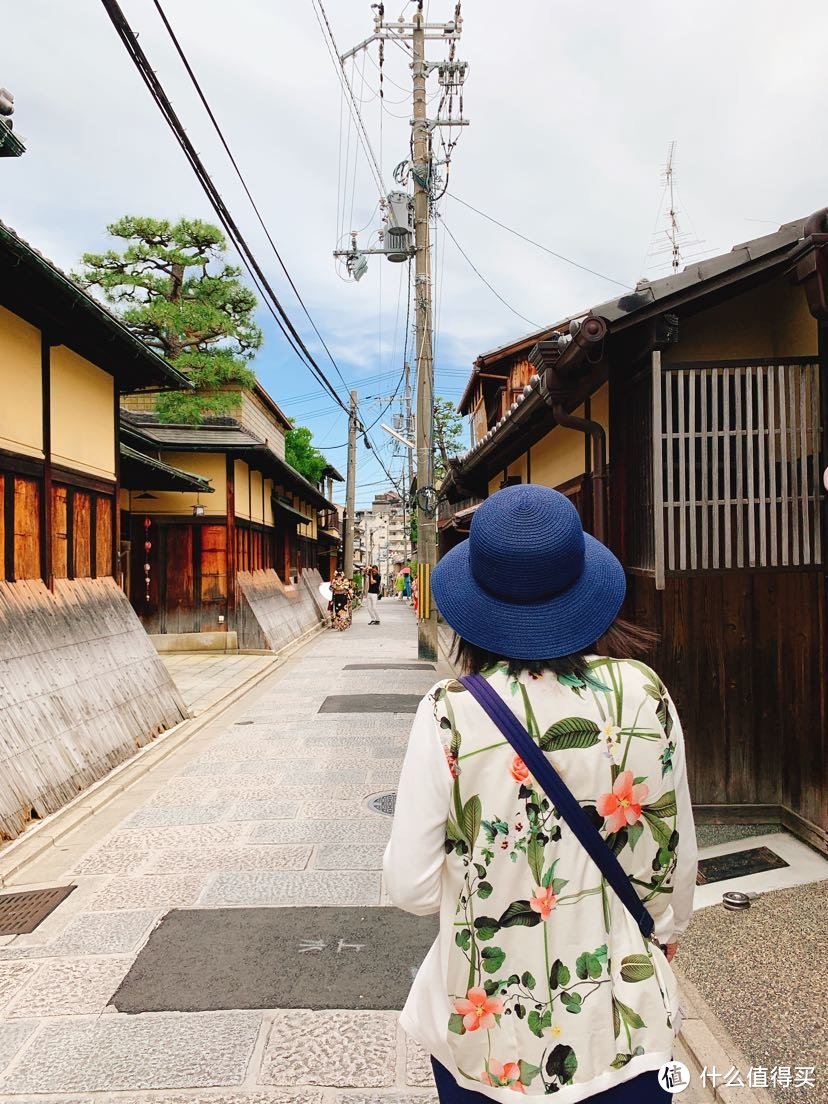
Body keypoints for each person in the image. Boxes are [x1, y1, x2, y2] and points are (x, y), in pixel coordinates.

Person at [384, 484, 697, 1103]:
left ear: (476, 603)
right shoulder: (645, 692)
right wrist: (661, 928)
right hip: (625, 1032)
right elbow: (673, 859)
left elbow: (412, 888)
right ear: (582, 586)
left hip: (491, 1041)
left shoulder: (450, 714)